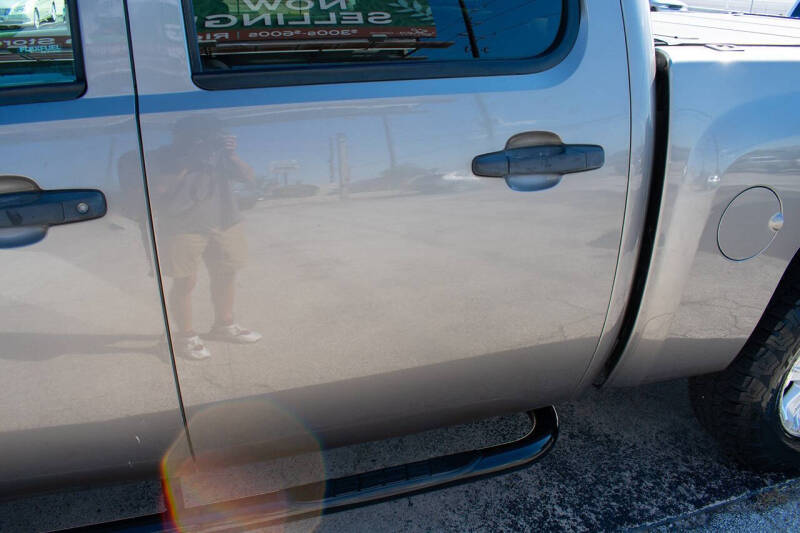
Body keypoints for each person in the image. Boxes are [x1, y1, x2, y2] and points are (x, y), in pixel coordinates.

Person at [151, 116, 261, 360]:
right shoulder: (163, 155)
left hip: (225, 221)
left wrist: (231, 154)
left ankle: (224, 325)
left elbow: (249, 177)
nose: (200, 140)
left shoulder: (219, 154)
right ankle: (186, 336)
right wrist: (190, 161)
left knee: (226, 273)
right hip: (183, 225)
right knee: (185, 281)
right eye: (193, 135)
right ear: (178, 135)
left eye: (205, 134)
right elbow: (160, 189)